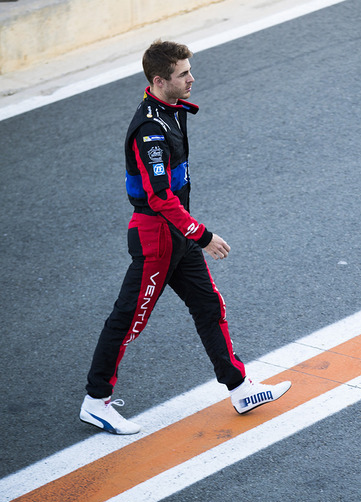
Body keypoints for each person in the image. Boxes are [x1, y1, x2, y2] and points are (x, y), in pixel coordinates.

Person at [79, 40, 290, 435]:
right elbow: (159, 196)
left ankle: (240, 388)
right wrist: (202, 234)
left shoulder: (171, 112)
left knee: (209, 306)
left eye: (190, 70)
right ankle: (95, 402)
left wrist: (190, 232)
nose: (192, 78)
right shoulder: (149, 130)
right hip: (157, 237)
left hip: (177, 234)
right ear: (160, 80)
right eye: (183, 74)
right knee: (129, 319)